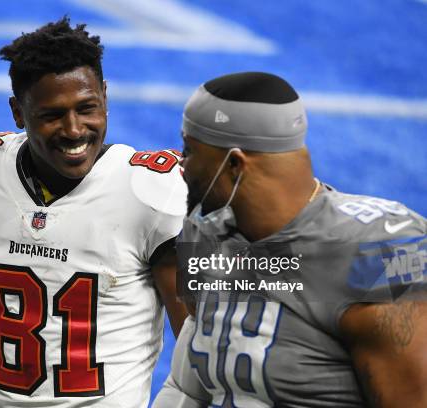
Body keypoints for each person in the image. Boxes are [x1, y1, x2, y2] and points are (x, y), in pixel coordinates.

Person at [0, 17, 188, 408]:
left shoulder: (149, 191)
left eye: (87, 108)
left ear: (104, 95)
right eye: (52, 115)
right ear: (18, 113)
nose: (74, 130)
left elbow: (198, 349)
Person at [152, 72, 427, 407]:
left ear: (235, 163)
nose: (182, 165)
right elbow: (186, 385)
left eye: (189, 150)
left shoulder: (373, 254)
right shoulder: (204, 233)